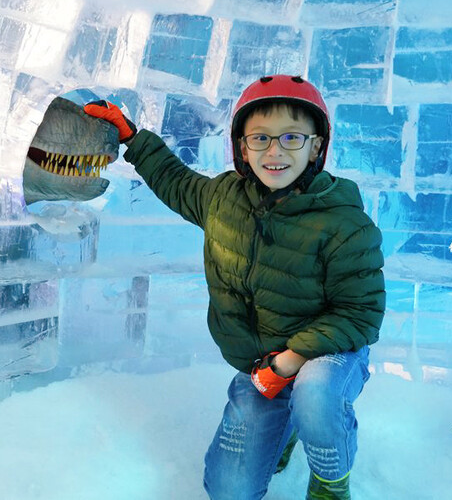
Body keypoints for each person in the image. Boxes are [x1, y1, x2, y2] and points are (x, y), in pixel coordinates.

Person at [84, 75, 385, 500]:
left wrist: (290, 361)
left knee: (316, 392)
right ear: (241, 147)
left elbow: (361, 313)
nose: (275, 151)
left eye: (292, 137)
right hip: (263, 366)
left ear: (317, 146)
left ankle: (330, 479)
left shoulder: (344, 222)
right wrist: (132, 137)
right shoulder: (224, 199)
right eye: (260, 138)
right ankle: (291, 427)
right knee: (229, 491)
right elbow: (173, 180)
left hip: (326, 355)